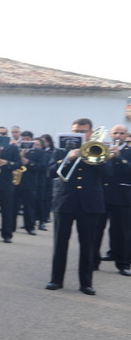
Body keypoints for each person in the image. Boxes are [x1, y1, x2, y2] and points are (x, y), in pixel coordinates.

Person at [46, 118, 112, 295]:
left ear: (90, 133)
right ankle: (56, 279)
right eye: (76, 131)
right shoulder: (61, 150)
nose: (79, 134)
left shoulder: (99, 149)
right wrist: (69, 158)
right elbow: (51, 172)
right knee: (60, 243)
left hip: (90, 204)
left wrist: (97, 158)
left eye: (83, 131)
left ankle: (86, 283)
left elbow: (108, 174)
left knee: (88, 245)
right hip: (64, 201)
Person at [103, 124, 130, 276]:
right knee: (98, 230)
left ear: (127, 135)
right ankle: (94, 262)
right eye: (115, 133)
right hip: (103, 194)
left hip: (123, 196)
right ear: (110, 135)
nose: (118, 135)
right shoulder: (102, 148)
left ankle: (124, 264)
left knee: (123, 231)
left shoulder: (128, 151)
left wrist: (119, 157)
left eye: (122, 133)